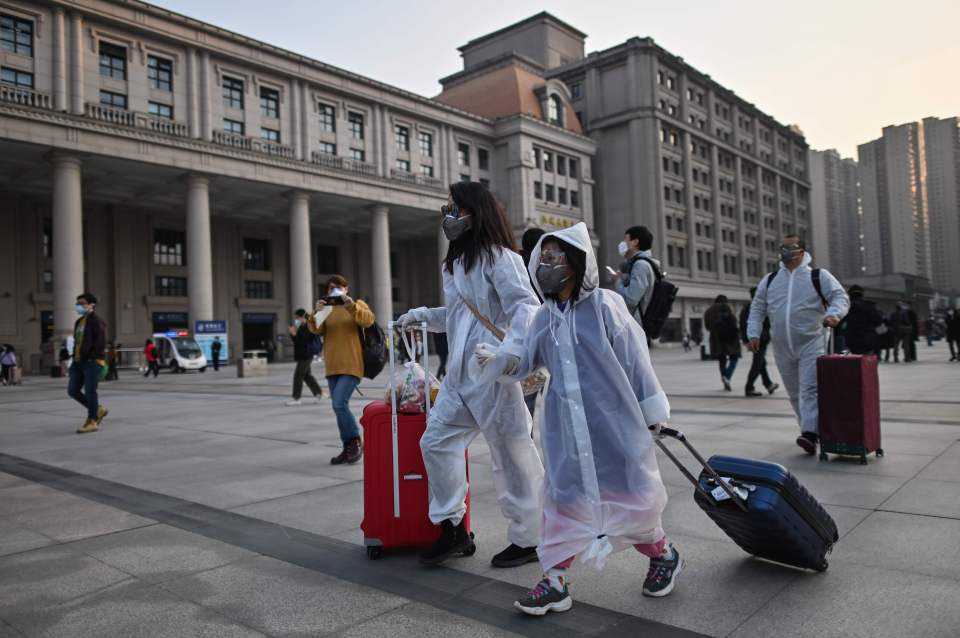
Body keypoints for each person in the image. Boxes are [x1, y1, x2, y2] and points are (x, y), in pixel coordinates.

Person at [481, 223, 680, 615]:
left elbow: (635, 358)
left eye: (556, 257)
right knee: (562, 496)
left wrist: (652, 410)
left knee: (632, 496)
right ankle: (554, 580)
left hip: (615, 420)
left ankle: (664, 553)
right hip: (565, 427)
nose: (547, 265)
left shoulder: (605, 305)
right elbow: (525, 359)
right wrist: (501, 359)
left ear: (575, 263)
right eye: (544, 257)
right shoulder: (543, 317)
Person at [398, 181, 544, 569]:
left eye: (454, 208)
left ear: (475, 212)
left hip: (494, 374)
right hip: (460, 378)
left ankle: (528, 537)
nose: (448, 215)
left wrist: (508, 354)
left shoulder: (502, 258)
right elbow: (459, 317)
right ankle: (452, 527)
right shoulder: (457, 264)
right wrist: (424, 317)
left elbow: (525, 309)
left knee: (511, 454)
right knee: (436, 442)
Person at [747, 235, 849, 455]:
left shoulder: (818, 276)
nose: (784, 251)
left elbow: (840, 297)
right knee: (794, 392)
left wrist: (834, 314)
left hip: (813, 341)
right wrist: (753, 333)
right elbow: (757, 309)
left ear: (802, 251)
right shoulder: (770, 280)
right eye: (782, 247)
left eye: (790, 247)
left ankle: (810, 433)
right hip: (782, 345)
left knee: (809, 389)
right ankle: (810, 430)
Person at [307, 274, 375, 464]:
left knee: (339, 404)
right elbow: (315, 329)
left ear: (346, 289)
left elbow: (368, 320)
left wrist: (350, 304)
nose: (334, 290)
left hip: (352, 363)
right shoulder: (327, 309)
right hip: (333, 366)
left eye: (338, 287)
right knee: (338, 407)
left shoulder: (356, 304)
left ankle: (354, 441)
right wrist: (316, 311)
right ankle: (347, 448)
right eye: (330, 288)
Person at [68, 293, 109, 434]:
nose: (78, 305)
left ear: (92, 305)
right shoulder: (78, 322)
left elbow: (100, 343)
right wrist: (74, 358)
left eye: (82, 303)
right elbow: (77, 342)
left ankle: (92, 421)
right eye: (77, 303)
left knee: (90, 391)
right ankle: (97, 409)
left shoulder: (97, 321)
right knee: (72, 390)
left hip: (92, 361)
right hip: (78, 361)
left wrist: (91, 357)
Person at [611, 226, 657, 338]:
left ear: (635, 242)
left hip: (636, 328)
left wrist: (617, 281)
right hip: (637, 326)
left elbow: (631, 299)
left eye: (625, 239)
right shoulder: (640, 264)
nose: (622, 243)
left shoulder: (640, 265)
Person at [520, 227, 546, 417]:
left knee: (525, 405)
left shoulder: (515, 265)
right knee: (559, 399)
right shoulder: (542, 267)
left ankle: (526, 442)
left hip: (523, 345)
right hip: (545, 341)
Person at [739, 287, 778, 397]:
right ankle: (749, 387)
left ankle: (768, 384)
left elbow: (742, 325)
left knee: (761, 362)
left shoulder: (746, 308)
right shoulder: (760, 308)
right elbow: (767, 324)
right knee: (757, 363)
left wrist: (745, 340)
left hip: (754, 339)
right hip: (760, 340)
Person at [286, 308, 324, 406]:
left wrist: (293, 334)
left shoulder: (308, 326)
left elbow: (303, 341)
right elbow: (297, 341)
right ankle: (319, 393)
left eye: (297, 317)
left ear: (303, 317)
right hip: (303, 354)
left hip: (306, 354)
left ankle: (296, 398)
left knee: (298, 375)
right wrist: (293, 335)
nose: (296, 319)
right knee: (307, 375)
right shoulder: (303, 326)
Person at [704, 295, 741, 391]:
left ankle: (725, 378)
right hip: (729, 338)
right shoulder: (725, 307)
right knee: (734, 357)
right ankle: (727, 376)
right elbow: (733, 321)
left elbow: (707, 326)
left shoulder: (708, 311)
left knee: (722, 360)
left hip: (716, 339)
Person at [843, 285, 883, 355]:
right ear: (862, 294)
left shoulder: (845, 307)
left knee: (853, 361)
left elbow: (841, 324)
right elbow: (878, 322)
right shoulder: (869, 306)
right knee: (866, 363)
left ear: (849, 294)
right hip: (868, 341)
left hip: (851, 341)